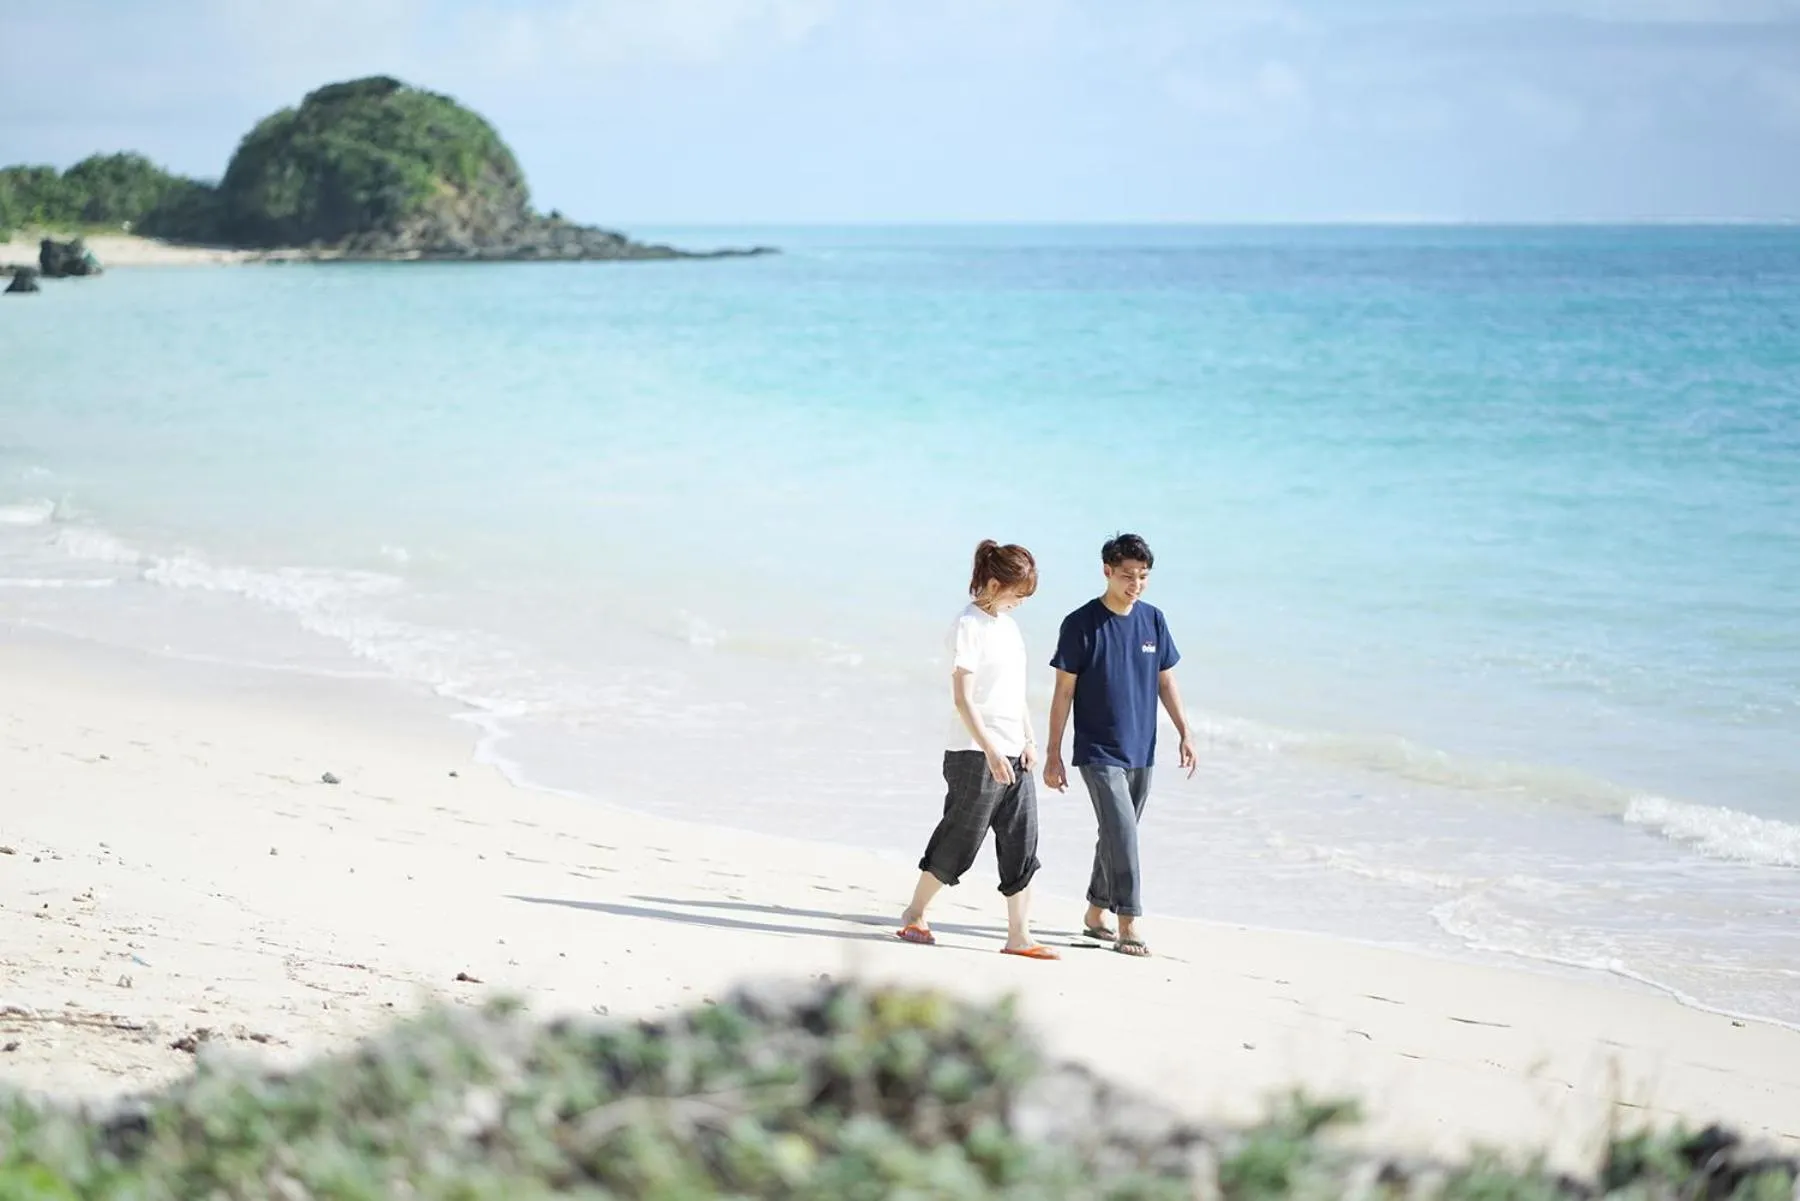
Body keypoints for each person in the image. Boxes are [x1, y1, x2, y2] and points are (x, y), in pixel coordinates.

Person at [896, 539, 1059, 960]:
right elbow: (963, 698)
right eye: (1017, 593)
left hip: (1014, 752)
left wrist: (1029, 740)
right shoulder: (968, 624)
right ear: (993, 583)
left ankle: (1019, 936)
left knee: (1022, 840)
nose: (1021, 602)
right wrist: (989, 749)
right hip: (974, 751)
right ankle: (915, 912)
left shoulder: (1009, 626)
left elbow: (1015, 693)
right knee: (961, 836)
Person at [1044, 533, 1196, 958]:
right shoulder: (1080, 624)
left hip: (1141, 748)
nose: (1136, 584)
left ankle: (1095, 912)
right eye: (1127, 575)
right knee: (1123, 833)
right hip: (1097, 750)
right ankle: (1129, 919)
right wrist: (1053, 751)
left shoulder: (1154, 620)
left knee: (1116, 834)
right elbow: (1062, 692)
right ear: (1107, 571)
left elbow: (1167, 679)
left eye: (1143, 576)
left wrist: (1185, 731)